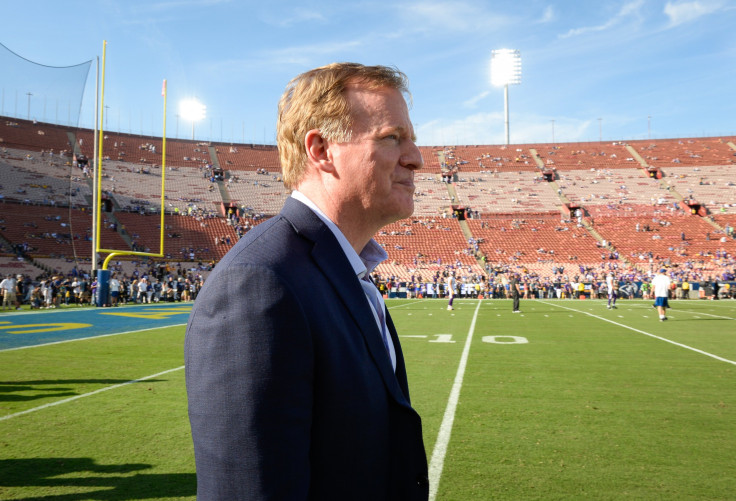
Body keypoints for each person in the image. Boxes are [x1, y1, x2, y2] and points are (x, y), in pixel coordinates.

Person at [185, 63, 429, 500]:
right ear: (320, 150)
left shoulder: (343, 269)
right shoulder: (261, 283)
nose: (416, 158)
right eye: (392, 138)